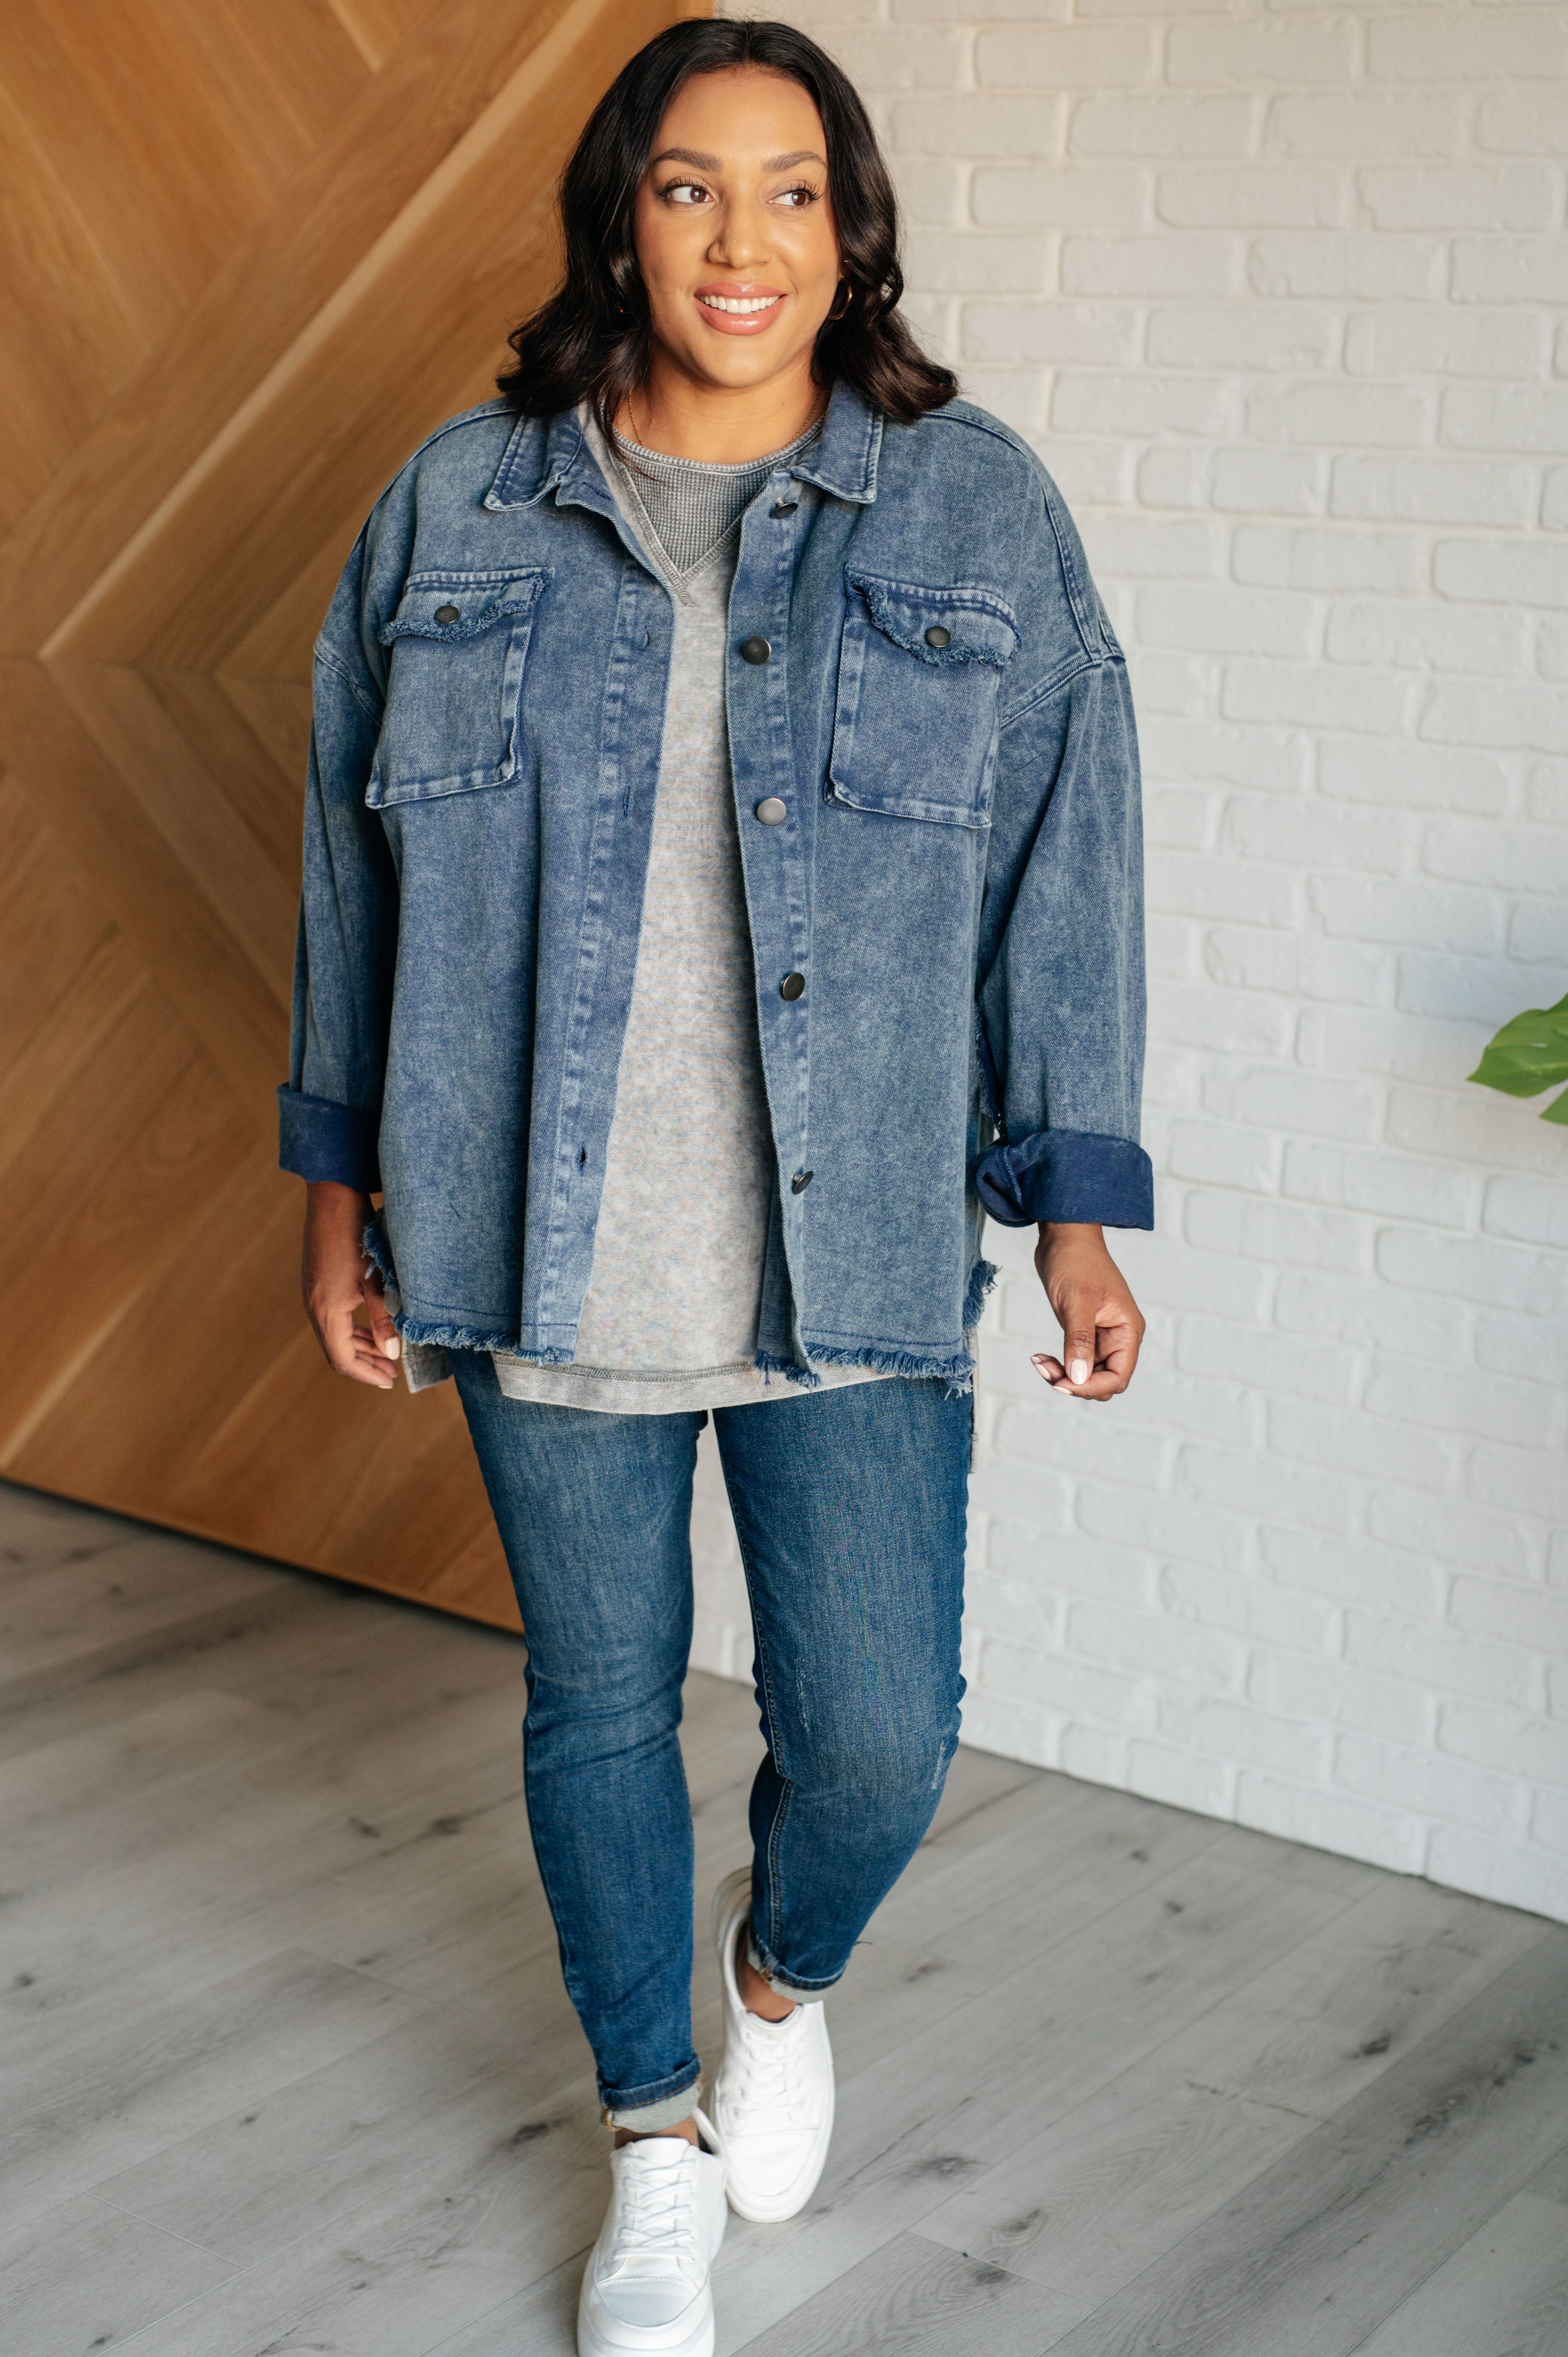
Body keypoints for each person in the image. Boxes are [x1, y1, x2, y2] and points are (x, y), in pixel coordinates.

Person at [280, 19, 1151, 2355]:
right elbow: (349, 884)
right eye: (689, 187)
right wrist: (337, 1198)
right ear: (621, 221)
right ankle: (647, 2142)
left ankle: (778, 1982)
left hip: (851, 1248)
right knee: (598, 1704)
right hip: (527, 1236)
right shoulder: (460, 506)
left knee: (877, 1733)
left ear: (851, 230)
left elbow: (1068, 868)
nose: (740, 240)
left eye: (791, 190)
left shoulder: (974, 509)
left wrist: (1071, 1208)